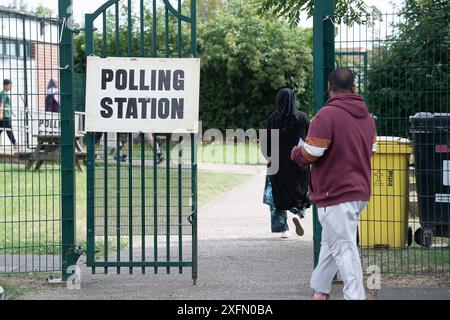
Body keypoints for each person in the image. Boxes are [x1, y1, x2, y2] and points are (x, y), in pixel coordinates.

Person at [291, 68, 377, 300]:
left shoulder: (326, 115)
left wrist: (296, 152)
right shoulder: (367, 119)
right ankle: (320, 291)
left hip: (335, 192)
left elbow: (312, 152)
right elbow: (372, 150)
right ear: (354, 88)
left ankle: (355, 297)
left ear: (329, 87)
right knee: (331, 243)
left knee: (345, 250)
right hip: (359, 191)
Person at [263, 88, 311, 239]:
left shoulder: (273, 119)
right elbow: (309, 138)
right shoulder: (302, 118)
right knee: (301, 192)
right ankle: (298, 213)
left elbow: (267, 144)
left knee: (277, 195)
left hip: (277, 164)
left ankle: (283, 228)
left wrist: (270, 157)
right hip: (298, 162)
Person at [0, 79, 17, 150]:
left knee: (3, 129)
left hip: (7, 114)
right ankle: (15, 143)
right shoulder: (3, 93)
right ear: (5, 85)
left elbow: (7, 104)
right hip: (5, 115)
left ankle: (14, 143)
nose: (11, 87)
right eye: (10, 85)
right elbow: (2, 103)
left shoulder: (5, 93)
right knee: (8, 129)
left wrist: (12, 112)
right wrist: (0, 113)